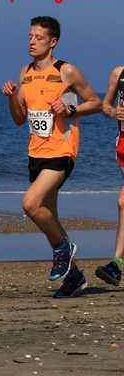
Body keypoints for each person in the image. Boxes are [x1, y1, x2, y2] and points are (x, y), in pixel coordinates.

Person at [1, 16, 101, 298]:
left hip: (62, 151)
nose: (32, 41)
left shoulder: (66, 71)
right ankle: (75, 277)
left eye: (38, 37)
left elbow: (95, 102)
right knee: (50, 221)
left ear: (52, 41)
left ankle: (64, 249)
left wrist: (70, 110)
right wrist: (11, 97)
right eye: (30, 36)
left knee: (30, 204)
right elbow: (20, 119)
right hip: (36, 153)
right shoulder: (26, 73)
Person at [95, 65, 124, 286]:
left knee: (123, 201)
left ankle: (116, 265)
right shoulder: (118, 73)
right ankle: (116, 266)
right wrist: (114, 112)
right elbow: (104, 105)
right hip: (123, 143)